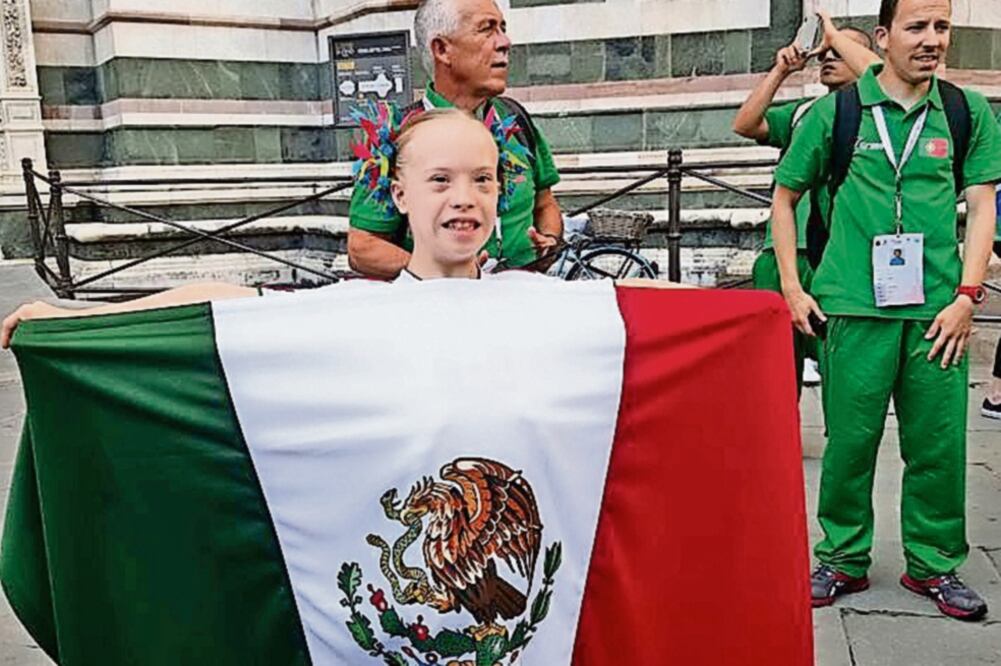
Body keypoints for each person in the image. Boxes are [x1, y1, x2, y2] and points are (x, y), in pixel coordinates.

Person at [1, 109, 685, 348]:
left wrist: (757, 317)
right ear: (400, 194)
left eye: (482, 179)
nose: (465, 198)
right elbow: (216, 300)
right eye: (440, 180)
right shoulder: (355, 305)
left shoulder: (540, 302)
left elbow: (654, 318)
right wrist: (64, 318)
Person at [772, 0, 1001, 620]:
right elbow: (785, 197)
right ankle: (842, 558)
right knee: (850, 442)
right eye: (917, 27)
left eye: (942, 27)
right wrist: (795, 287)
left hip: (937, 314)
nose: (932, 40)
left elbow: (981, 206)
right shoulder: (836, 112)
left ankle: (932, 564)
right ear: (883, 35)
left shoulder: (964, 111)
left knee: (938, 444)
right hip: (853, 306)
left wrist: (966, 296)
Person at [347, 0, 563, 279]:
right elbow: (363, 247)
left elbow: (545, 203)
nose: (505, 42)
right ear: (442, 50)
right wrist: (452, 275)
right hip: (440, 311)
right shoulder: (396, 135)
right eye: (487, 29)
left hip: (526, 301)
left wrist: (549, 241)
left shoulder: (516, 119)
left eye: (503, 28)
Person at [733, 15, 878, 393]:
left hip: (839, 254)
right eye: (824, 52)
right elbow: (746, 124)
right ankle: (777, 444)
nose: (827, 58)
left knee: (841, 358)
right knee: (775, 363)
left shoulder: (881, 116)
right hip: (780, 253)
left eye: (839, 52)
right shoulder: (803, 112)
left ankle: (841, 445)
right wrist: (780, 71)